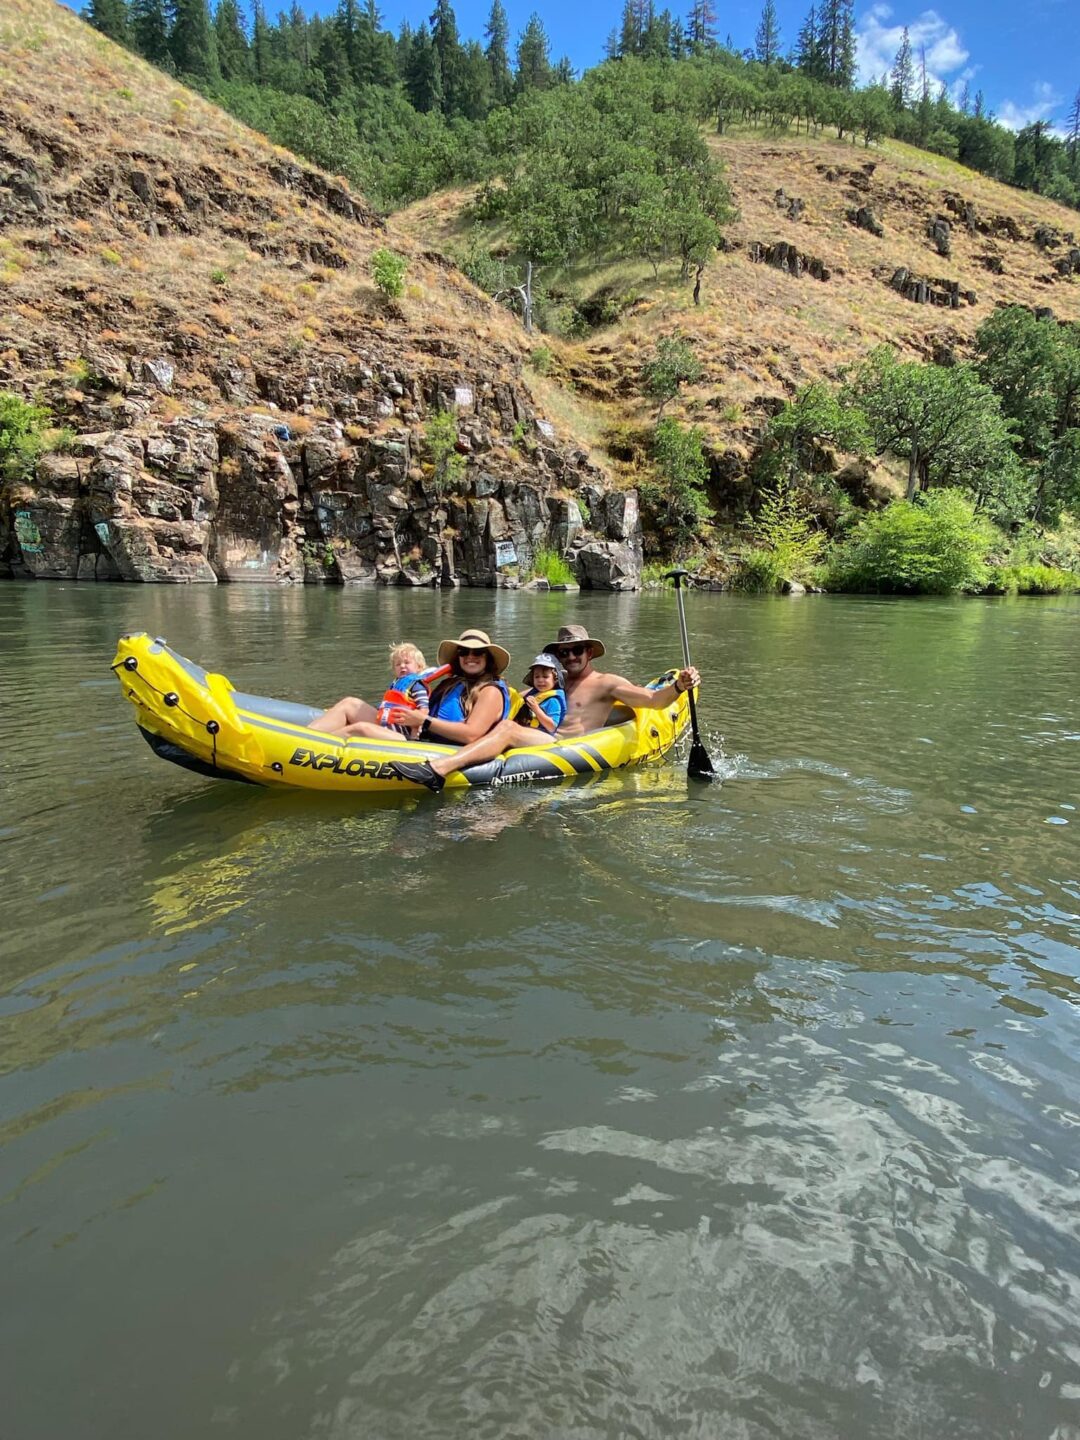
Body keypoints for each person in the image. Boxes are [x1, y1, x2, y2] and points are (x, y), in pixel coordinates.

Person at [390, 624, 698, 792]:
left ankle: (438, 770)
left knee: (508, 729)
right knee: (505, 724)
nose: (571, 657)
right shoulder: (552, 685)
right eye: (564, 653)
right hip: (543, 740)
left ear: (589, 652)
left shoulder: (607, 683)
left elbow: (652, 701)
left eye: (577, 650)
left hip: (568, 745)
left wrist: (679, 686)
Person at [386, 628, 513, 747]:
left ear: (488, 658)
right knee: (366, 718)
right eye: (464, 652)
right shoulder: (449, 684)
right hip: (425, 739)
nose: (470, 656)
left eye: (478, 652)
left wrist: (424, 721)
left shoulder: (491, 691)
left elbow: (471, 735)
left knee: (366, 729)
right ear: (458, 658)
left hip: (453, 750)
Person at [516, 653, 567, 737]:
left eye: (545, 676)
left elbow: (552, 727)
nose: (540, 680)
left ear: (555, 680)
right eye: (537, 677)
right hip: (528, 732)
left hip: (543, 736)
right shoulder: (533, 695)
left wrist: (536, 709)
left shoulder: (553, 701)